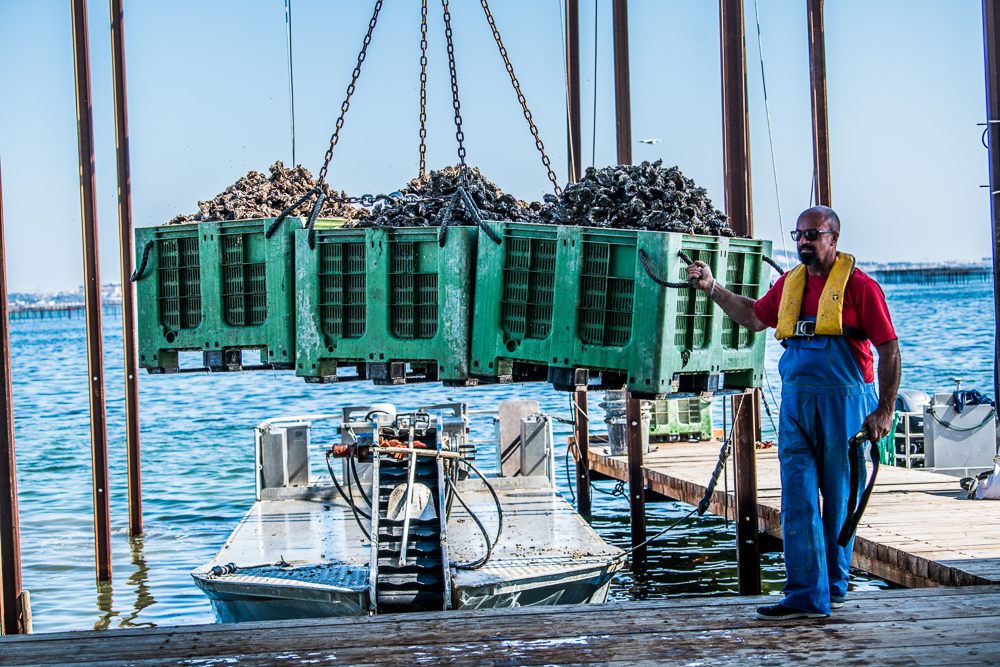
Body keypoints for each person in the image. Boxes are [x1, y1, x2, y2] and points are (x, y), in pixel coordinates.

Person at [686, 206, 900, 620]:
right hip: (796, 403)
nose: (803, 241)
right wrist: (712, 288)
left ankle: (834, 587)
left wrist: (884, 410)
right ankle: (805, 594)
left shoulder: (861, 288)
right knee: (798, 498)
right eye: (798, 234)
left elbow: (889, 349)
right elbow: (751, 316)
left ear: (834, 239)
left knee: (840, 501)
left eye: (813, 234)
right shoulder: (788, 285)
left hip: (847, 403)